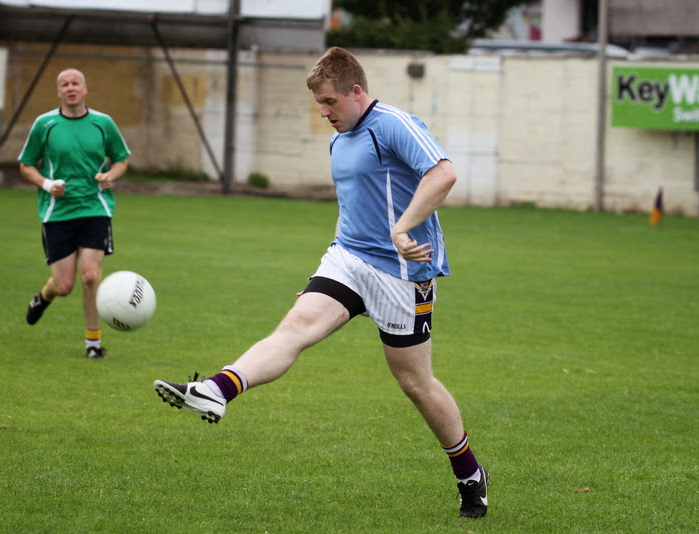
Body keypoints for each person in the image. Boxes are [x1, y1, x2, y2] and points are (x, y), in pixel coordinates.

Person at [154, 47, 488, 519]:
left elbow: (444, 173)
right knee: (295, 328)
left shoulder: (393, 124)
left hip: (402, 273)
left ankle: (469, 473)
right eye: (319, 105)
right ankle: (218, 389)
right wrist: (323, 274)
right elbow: (350, 209)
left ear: (356, 91)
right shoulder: (339, 141)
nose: (325, 113)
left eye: (330, 102)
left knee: (415, 382)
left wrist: (402, 229)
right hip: (350, 258)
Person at [19, 68, 131, 359]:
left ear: (85, 88)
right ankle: (44, 295)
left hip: (95, 207)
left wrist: (111, 175)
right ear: (58, 92)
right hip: (57, 212)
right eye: (64, 84)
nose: (70, 88)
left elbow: (121, 160)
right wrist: (46, 184)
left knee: (91, 276)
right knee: (65, 285)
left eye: (75, 83)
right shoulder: (45, 124)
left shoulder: (103, 123)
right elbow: (26, 164)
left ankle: (93, 344)